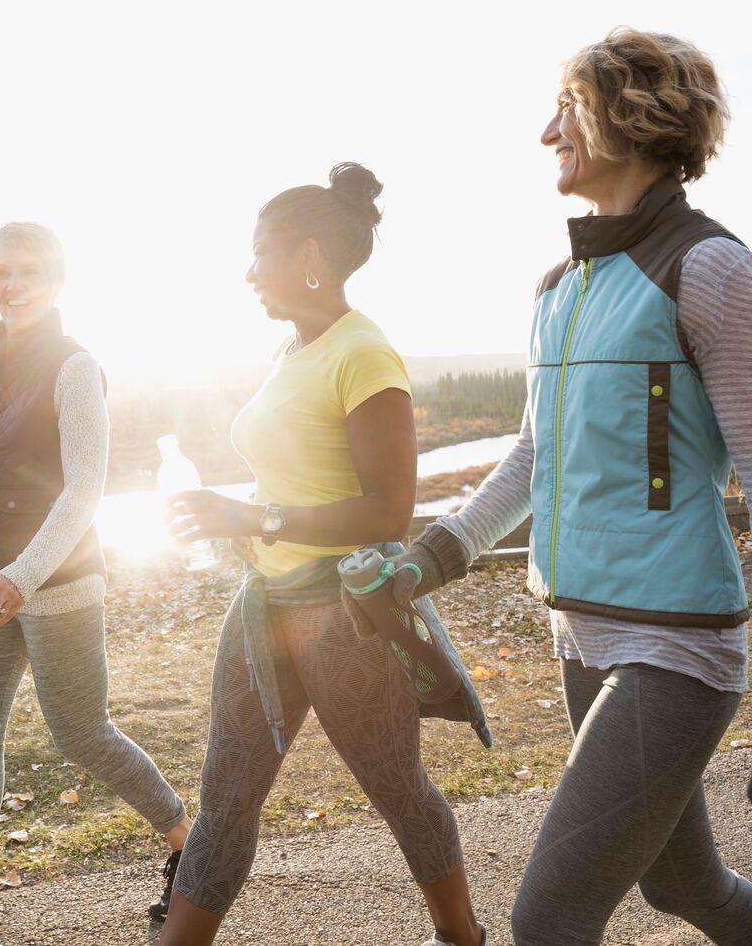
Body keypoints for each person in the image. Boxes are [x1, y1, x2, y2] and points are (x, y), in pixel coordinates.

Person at [384, 28, 752, 945]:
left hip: (674, 648)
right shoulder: (560, 283)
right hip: (583, 635)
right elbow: (531, 455)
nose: (546, 132)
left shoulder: (711, 268)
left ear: (627, 117)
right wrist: (434, 554)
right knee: (689, 889)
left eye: (566, 108)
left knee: (549, 919)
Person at [158, 164, 489, 946]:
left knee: (397, 789)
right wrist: (243, 522)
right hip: (265, 610)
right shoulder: (291, 348)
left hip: (346, 614)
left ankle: (462, 938)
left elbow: (389, 510)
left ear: (307, 251)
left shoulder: (364, 352)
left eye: (260, 251)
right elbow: (297, 474)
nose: (247, 271)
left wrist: (255, 513)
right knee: (226, 798)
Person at [0, 222, 191, 933]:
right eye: (1, 270)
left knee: (83, 734)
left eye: (27, 270)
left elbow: (83, 487)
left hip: (58, 586)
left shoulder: (76, 367)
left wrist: (24, 576)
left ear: (55, 280)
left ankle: (190, 844)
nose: (12, 282)